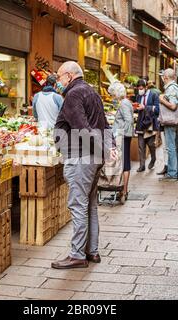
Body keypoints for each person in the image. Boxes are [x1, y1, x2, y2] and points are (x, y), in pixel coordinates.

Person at [52, 61, 117, 269]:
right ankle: (92, 251)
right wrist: (107, 149)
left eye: (60, 76)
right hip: (92, 159)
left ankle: (77, 255)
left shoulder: (73, 94)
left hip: (81, 158)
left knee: (78, 206)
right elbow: (105, 126)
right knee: (90, 206)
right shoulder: (92, 92)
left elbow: (83, 128)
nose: (58, 80)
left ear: (69, 76)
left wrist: (103, 151)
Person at [108, 81, 134, 203]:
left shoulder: (123, 103)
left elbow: (128, 120)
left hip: (122, 137)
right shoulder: (126, 102)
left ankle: (123, 190)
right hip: (124, 136)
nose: (112, 97)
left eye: (112, 94)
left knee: (123, 164)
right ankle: (123, 190)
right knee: (124, 163)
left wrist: (119, 133)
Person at [158, 69, 178, 182]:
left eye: (163, 77)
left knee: (171, 147)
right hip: (175, 120)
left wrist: (162, 100)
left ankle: (172, 173)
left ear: (166, 77)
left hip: (170, 121)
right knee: (175, 147)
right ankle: (177, 172)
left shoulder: (171, 88)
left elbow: (173, 106)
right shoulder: (176, 87)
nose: (162, 79)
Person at [135, 79, 160, 172]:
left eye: (142, 88)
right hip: (140, 123)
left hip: (150, 124)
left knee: (150, 144)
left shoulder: (153, 95)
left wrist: (145, 107)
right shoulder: (138, 96)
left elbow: (157, 110)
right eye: (139, 88)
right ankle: (142, 165)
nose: (140, 90)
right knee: (141, 145)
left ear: (146, 87)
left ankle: (153, 158)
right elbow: (138, 109)